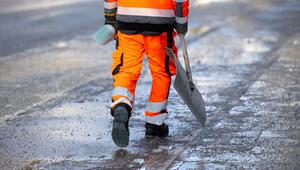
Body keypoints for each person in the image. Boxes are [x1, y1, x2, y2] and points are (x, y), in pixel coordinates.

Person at [103, 0, 189, 147]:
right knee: (161, 72)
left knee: (126, 69)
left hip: (127, 20)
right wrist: (181, 22)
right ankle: (154, 123)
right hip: (160, 22)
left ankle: (121, 104)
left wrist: (110, 18)